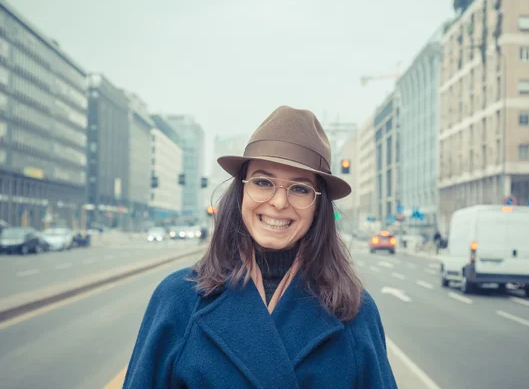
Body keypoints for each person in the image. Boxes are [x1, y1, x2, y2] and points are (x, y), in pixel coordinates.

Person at [123, 106, 397, 388]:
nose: (279, 202)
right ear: (241, 191)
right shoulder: (177, 299)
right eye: (263, 182)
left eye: (300, 188)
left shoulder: (354, 311)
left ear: (319, 207)